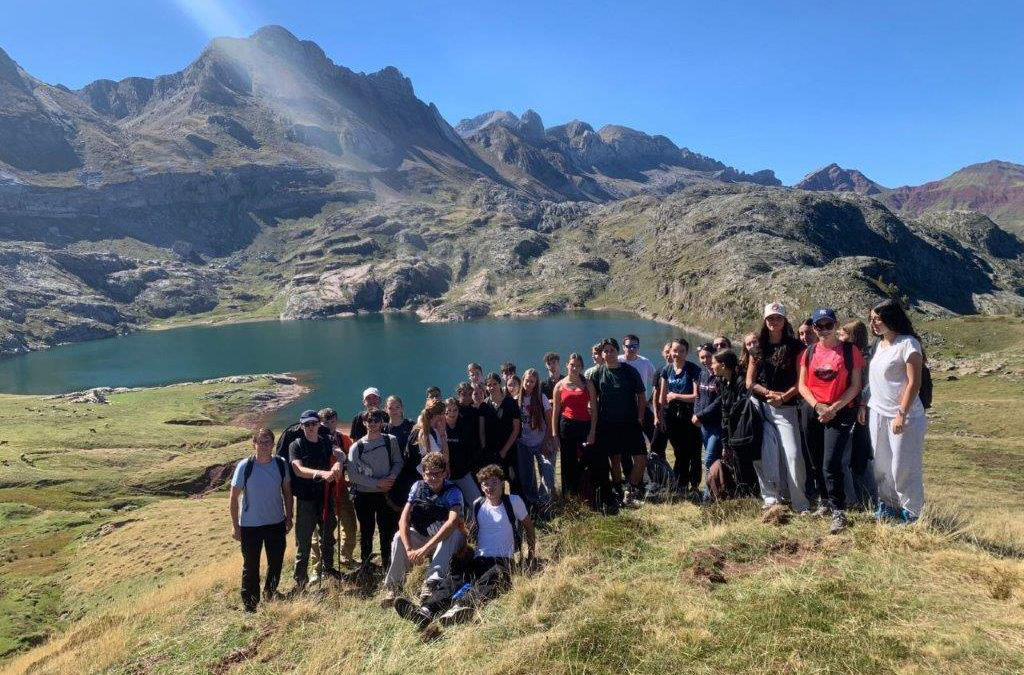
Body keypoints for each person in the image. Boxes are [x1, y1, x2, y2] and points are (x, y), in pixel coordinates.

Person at [393, 464, 536, 628]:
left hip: (503, 560)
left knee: (490, 578)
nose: (489, 487)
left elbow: (529, 528)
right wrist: (463, 548)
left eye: (494, 482)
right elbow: (473, 531)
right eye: (485, 483)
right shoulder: (478, 504)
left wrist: (531, 555)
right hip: (479, 558)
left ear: (502, 483)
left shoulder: (514, 501)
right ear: (480, 486)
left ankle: (460, 608)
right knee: (455, 576)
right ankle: (426, 610)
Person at [798, 307, 864, 535]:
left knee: (831, 463)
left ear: (837, 325)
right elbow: (802, 385)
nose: (824, 330)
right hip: (813, 410)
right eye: (819, 326)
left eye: (828, 325)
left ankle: (839, 511)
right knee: (815, 460)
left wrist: (834, 408)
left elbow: (855, 386)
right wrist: (818, 406)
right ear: (814, 328)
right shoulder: (808, 352)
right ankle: (824, 502)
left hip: (840, 411)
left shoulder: (850, 351)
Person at [746, 303, 809, 513]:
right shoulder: (758, 347)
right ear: (765, 321)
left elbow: (802, 380)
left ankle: (800, 503)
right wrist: (769, 394)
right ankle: (772, 498)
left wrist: (783, 397)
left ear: (784, 320)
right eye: (770, 318)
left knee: (792, 454)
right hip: (762, 409)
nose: (774, 322)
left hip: (786, 408)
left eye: (778, 318)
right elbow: (750, 382)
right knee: (767, 455)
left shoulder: (796, 347)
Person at [867, 300, 927, 524]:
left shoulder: (908, 344)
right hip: (878, 412)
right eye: (871, 319)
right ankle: (888, 505)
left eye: (877, 319)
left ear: (891, 318)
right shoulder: (879, 345)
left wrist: (901, 413)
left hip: (905, 414)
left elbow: (914, 383)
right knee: (881, 464)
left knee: (903, 466)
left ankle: (912, 513)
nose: (873, 323)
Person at [383, 452, 465, 606]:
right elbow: (404, 518)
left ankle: (431, 582)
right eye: (429, 474)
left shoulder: (454, 491)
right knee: (399, 537)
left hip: (446, 538)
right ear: (423, 474)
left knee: (453, 532)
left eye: (437, 474)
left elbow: (452, 521)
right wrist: (409, 549)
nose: (433, 478)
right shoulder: (417, 487)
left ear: (444, 473)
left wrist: (426, 549)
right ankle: (394, 587)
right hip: (423, 534)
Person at [229, 428, 292, 611]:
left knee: (276, 562)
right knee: (251, 565)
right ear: (254, 443)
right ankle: (250, 603)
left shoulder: (280, 464)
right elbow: (233, 498)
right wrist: (235, 526)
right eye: (261, 442)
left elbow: (287, 493)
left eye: (268, 442)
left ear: (273, 444)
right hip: (250, 526)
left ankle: (270, 593)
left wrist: (289, 516)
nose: (265, 446)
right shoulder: (244, 466)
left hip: (276, 523)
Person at [589, 337, 647, 505]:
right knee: (615, 459)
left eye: (612, 350)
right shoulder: (597, 373)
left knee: (641, 458)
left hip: (630, 422)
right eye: (605, 351)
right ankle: (618, 491)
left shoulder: (629, 371)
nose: (609, 353)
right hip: (607, 423)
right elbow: (593, 400)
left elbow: (641, 396)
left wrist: (641, 417)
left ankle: (631, 489)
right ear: (601, 354)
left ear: (617, 351)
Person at [288, 410, 342, 589]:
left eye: (313, 424)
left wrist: (337, 464)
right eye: (307, 424)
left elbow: (339, 454)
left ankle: (328, 570)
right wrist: (321, 473)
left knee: (327, 536)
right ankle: (300, 580)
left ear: (319, 424)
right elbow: (298, 470)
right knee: (303, 542)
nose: (310, 427)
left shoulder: (326, 442)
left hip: (326, 498)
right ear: (301, 426)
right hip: (306, 501)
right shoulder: (296, 445)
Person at [348, 409, 404, 570]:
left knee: (387, 531)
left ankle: (388, 564)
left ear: (381, 422)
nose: (373, 424)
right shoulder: (357, 447)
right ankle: (366, 566)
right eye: (369, 421)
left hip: (385, 495)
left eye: (376, 421)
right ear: (364, 423)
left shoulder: (390, 440)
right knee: (366, 531)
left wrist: (391, 478)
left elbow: (398, 462)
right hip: (364, 496)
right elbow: (353, 475)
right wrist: (377, 483)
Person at [839, 320, 878, 509]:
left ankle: (867, 499)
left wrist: (862, 404)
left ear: (853, 336)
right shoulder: (850, 356)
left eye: (844, 333)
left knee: (861, 456)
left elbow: (868, 385)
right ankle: (860, 498)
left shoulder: (866, 359)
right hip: (853, 409)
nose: (840, 336)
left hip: (860, 412)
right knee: (854, 456)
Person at [551, 352, 599, 500]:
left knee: (587, 459)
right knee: (567, 462)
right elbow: (556, 411)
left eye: (578, 366)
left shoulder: (588, 384)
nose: (575, 368)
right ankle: (569, 496)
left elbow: (595, 410)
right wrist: (554, 434)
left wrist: (592, 431)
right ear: (567, 365)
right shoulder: (559, 386)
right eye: (572, 365)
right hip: (567, 427)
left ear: (582, 368)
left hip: (584, 426)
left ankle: (587, 492)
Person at [658, 338, 702, 495]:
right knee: (679, 452)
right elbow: (662, 398)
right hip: (672, 417)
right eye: (675, 350)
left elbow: (697, 396)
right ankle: (681, 485)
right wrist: (661, 418)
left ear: (686, 352)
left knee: (694, 452)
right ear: (670, 351)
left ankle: (695, 486)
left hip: (690, 417)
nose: (677, 354)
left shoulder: (693, 370)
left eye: (681, 351)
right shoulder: (667, 370)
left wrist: (676, 396)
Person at [712, 349, 757, 499]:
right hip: (731, 433)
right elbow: (725, 413)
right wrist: (726, 443)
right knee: (736, 466)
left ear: (723, 365)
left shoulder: (740, 382)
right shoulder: (722, 382)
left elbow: (740, 410)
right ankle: (741, 495)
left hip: (743, 432)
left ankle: (752, 496)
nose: (712, 366)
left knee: (747, 467)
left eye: (714, 363)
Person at [391, 399, 448, 510]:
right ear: (438, 416)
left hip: (420, 480)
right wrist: (443, 437)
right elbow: (444, 459)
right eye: (444, 414)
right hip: (416, 482)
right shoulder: (425, 434)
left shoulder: (428, 430)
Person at [319, 408, 358, 567]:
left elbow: (351, 462)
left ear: (336, 421)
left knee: (349, 524)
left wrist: (350, 479)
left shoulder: (343, 439)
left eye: (332, 421)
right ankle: (319, 565)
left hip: (340, 488)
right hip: (321, 490)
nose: (329, 425)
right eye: (325, 422)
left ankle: (346, 558)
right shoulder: (316, 440)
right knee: (322, 530)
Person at [516, 368, 555, 506]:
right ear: (523, 380)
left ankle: (544, 500)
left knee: (548, 471)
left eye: (532, 381)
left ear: (536, 383)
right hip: (523, 443)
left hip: (540, 440)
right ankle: (532, 502)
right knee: (527, 477)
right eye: (527, 380)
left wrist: (546, 442)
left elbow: (549, 421)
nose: (529, 384)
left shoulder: (541, 397)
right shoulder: (517, 399)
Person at [481, 372, 522, 495]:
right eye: (489, 385)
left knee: (514, 481)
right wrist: (485, 450)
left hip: (509, 450)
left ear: (500, 384)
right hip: (492, 451)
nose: (492, 387)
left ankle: (519, 509)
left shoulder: (511, 403)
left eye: (495, 384)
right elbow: (482, 430)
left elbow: (516, 429)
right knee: (496, 482)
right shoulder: (484, 405)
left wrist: (505, 450)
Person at [693, 343, 723, 498]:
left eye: (708, 356)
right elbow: (698, 395)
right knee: (712, 458)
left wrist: (701, 415)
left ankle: (707, 495)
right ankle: (715, 491)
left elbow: (719, 401)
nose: (705, 360)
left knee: (709, 458)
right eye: (702, 357)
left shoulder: (720, 375)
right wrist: (696, 413)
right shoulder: (703, 374)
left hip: (716, 425)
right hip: (704, 425)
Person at [620, 334, 658, 444]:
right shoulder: (618, 361)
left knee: (654, 437)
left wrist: (650, 401)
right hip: (624, 408)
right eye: (628, 346)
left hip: (642, 405)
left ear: (638, 347)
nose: (631, 349)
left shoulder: (645, 362)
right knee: (626, 439)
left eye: (634, 346)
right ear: (623, 347)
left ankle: (657, 459)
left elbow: (657, 381)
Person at [443, 397, 482, 504]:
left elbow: (471, 449)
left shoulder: (464, 426)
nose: (452, 413)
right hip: (445, 476)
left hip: (463, 473)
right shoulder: (439, 428)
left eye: (455, 410)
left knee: (478, 501)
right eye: (449, 410)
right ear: (444, 411)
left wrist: (468, 467)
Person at [649, 342, 673, 459]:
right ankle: (662, 474)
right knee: (656, 447)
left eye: (671, 351)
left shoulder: (684, 370)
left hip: (678, 415)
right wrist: (656, 415)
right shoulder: (659, 371)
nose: (669, 354)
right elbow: (655, 395)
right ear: (662, 354)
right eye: (666, 352)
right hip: (662, 414)